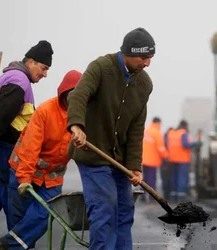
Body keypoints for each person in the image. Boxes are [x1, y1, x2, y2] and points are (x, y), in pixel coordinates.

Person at [66, 27, 155, 249]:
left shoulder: (144, 85)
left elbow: (136, 128)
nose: (147, 63)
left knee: (124, 210)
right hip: (92, 153)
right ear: (129, 52)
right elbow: (79, 94)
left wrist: (135, 166)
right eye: (144, 57)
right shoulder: (102, 67)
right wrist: (76, 125)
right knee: (105, 206)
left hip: (120, 161)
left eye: (151, 58)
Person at [0, 40, 53, 249]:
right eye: (43, 68)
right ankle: (17, 245)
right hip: (2, 149)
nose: (45, 75)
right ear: (30, 62)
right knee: (14, 200)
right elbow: (0, 112)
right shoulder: (19, 81)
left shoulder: (11, 76)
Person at [0, 70, 82, 250]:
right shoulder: (46, 111)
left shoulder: (85, 117)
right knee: (18, 217)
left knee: (46, 214)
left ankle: (9, 245)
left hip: (51, 177)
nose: (76, 99)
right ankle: (18, 246)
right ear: (64, 93)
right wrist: (24, 179)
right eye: (73, 94)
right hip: (23, 169)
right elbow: (30, 147)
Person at [166, 120, 202, 201]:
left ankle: (173, 196)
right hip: (182, 160)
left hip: (172, 159)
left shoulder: (171, 133)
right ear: (185, 126)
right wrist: (196, 144)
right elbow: (185, 144)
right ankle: (181, 197)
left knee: (173, 178)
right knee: (181, 178)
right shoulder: (183, 133)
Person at [141, 116, 168, 202]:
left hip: (144, 159)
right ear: (158, 123)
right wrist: (166, 156)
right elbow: (161, 148)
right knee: (151, 179)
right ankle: (151, 198)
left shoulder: (146, 131)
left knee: (144, 179)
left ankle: (142, 196)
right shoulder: (156, 133)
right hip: (152, 161)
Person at [160, 127, 174, 198]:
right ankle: (167, 195)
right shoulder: (167, 140)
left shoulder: (164, 139)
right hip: (167, 163)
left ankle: (166, 194)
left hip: (165, 163)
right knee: (167, 180)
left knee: (166, 180)